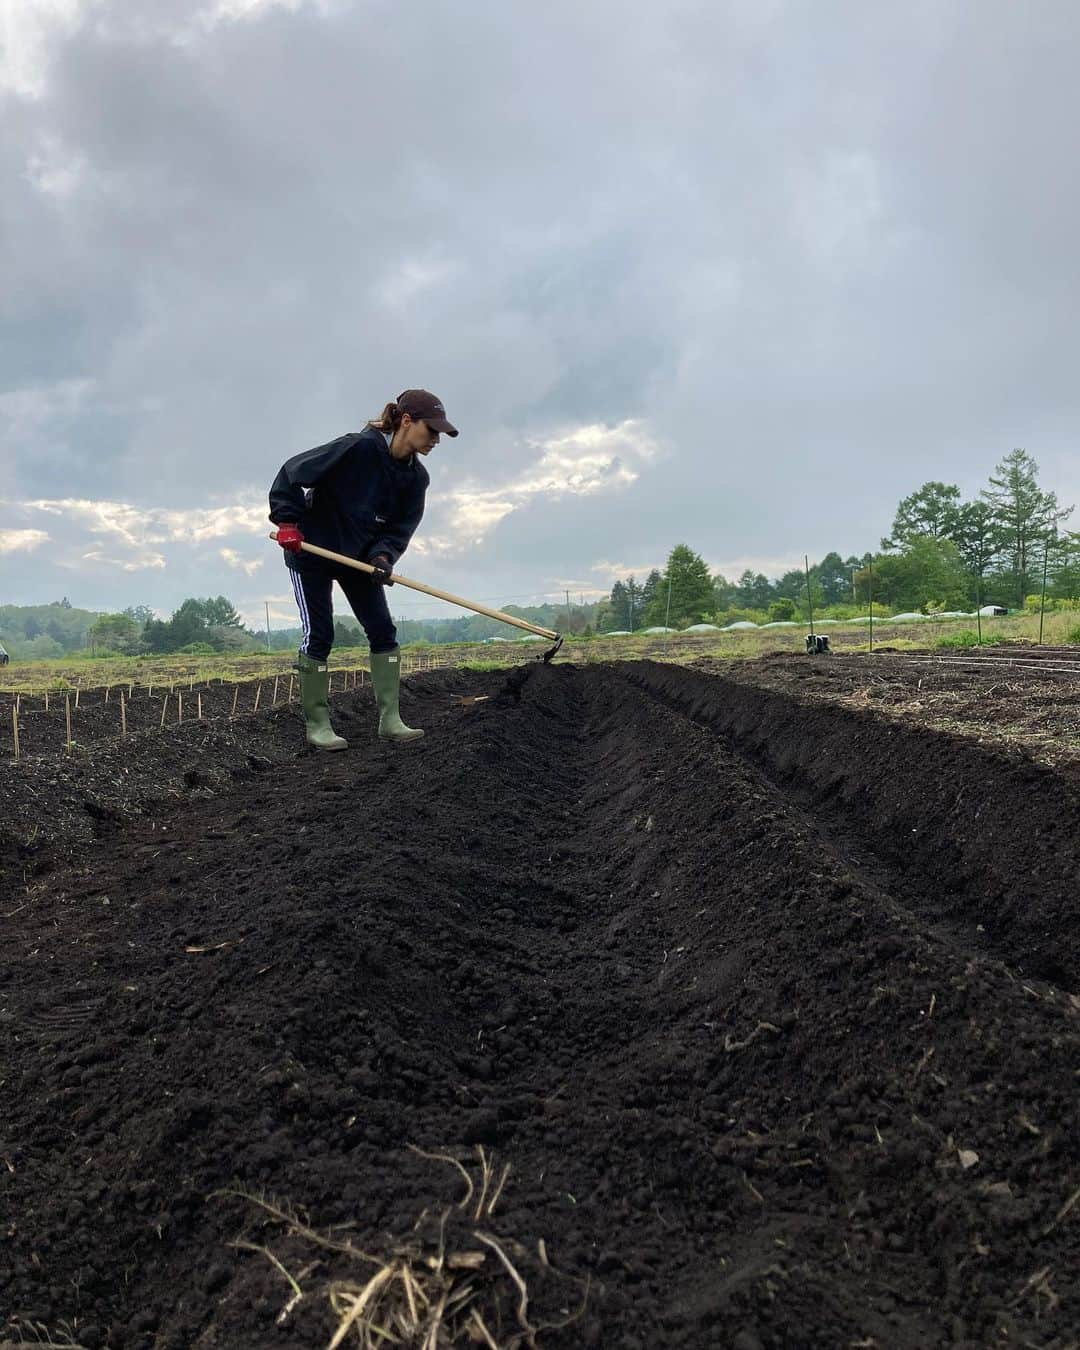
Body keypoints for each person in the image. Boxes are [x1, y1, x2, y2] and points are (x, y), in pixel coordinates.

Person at [268, 389, 458, 751]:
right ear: (406, 421)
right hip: (312, 550)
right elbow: (292, 473)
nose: (435, 439)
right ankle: (318, 725)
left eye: (439, 434)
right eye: (431, 430)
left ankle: (391, 720)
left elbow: (398, 529)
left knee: (383, 630)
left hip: (359, 558)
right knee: (319, 634)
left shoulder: (416, 479)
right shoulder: (357, 448)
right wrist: (289, 522)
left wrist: (383, 559)